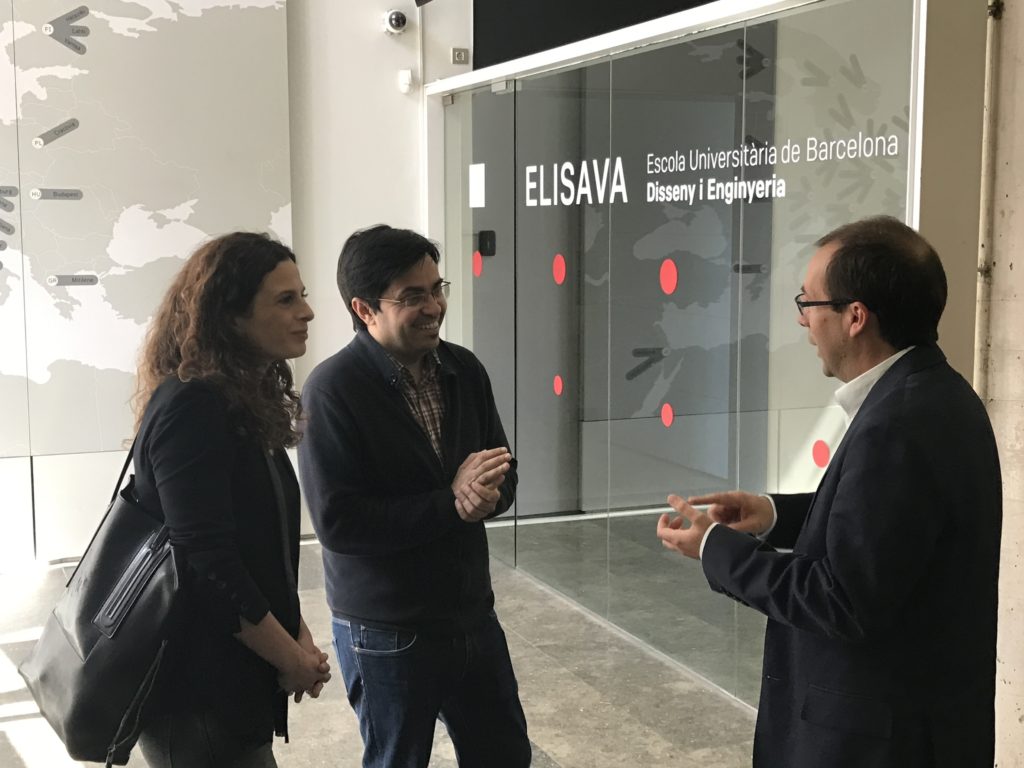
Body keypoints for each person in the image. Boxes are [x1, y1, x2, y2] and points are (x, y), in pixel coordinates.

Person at [656, 216, 1002, 768]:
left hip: (875, 741)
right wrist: (774, 514)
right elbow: (885, 534)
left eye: (808, 302)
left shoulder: (899, 423)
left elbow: (843, 598)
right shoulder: (933, 394)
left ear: (855, 317)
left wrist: (715, 547)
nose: (802, 320)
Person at [298, 224, 531, 768]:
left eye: (436, 288)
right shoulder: (331, 390)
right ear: (364, 309)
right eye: (412, 296)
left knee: (505, 756)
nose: (434, 307)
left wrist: (488, 497)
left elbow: (504, 473)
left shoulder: (464, 370)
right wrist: (451, 503)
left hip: (471, 616)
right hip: (386, 631)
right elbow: (339, 524)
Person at [131, 232, 331, 767]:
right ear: (231, 317)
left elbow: (257, 549)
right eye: (285, 300)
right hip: (197, 694)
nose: (307, 312)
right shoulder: (193, 406)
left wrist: (296, 635)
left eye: (302, 295)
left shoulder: (237, 401)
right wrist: (289, 657)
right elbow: (207, 564)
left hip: (231, 685)